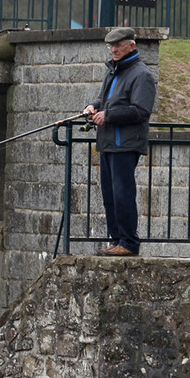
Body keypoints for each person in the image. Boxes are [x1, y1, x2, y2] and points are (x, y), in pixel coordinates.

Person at [82, 25, 157, 256]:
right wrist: (94, 105)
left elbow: (141, 110)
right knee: (110, 196)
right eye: (111, 45)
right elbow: (107, 99)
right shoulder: (113, 71)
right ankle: (117, 240)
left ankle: (129, 243)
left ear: (131, 46)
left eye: (118, 45)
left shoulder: (141, 74)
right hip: (107, 143)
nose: (113, 49)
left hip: (125, 144)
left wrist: (109, 115)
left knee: (123, 193)